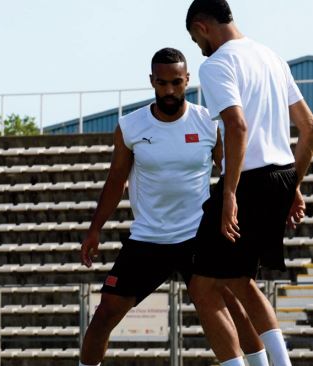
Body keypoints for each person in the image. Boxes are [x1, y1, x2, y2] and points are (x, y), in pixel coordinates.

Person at [79, 48, 269, 366]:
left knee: (234, 306)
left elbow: (233, 174)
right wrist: (94, 229)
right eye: (162, 83)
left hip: (198, 237)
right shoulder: (131, 126)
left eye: (176, 83)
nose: (169, 91)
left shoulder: (208, 123)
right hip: (147, 240)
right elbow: (115, 182)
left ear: (187, 80)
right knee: (104, 314)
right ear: (152, 81)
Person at [185, 1, 313, 366]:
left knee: (202, 285)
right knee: (239, 280)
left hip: (248, 182)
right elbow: (309, 128)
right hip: (279, 176)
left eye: (196, 40)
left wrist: (229, 193)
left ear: (202, 26)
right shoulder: (271, 56)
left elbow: (237, 127)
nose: (200, 47)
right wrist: (293, 185)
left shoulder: (217, 63)